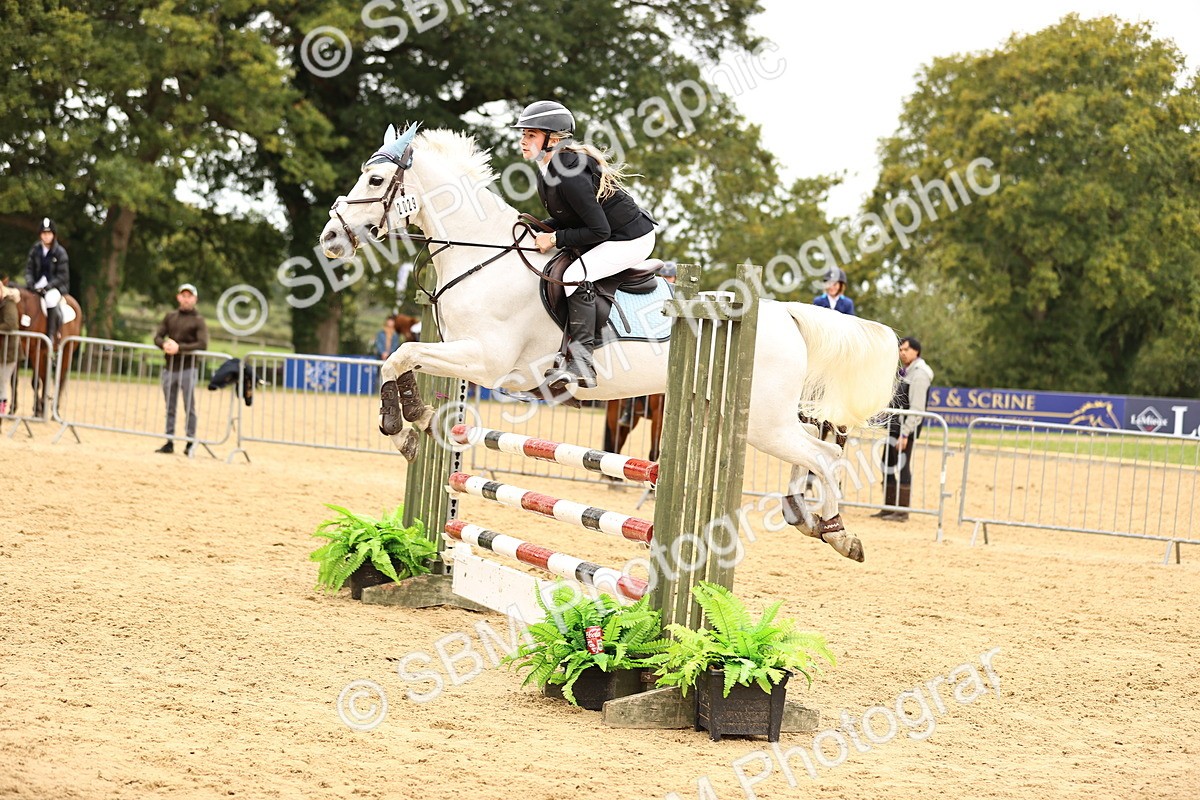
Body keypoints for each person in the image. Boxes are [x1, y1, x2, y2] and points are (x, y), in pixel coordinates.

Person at [514, 99, 658, 388]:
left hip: (631, 238)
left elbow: (598, 230)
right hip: (609, 232)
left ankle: (581, 363)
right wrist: (537, 228)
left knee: (574, 275)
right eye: (523, 134)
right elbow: (569, 217)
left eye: (531, 135)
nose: (523, 141)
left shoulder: (568, 173)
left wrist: (554, 238)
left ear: (551, 139)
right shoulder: (548, 168)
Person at [874, 336, 934, 522]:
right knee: (888, 462)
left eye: (906, 349)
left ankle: (901, 510)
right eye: (901, 350)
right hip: (896, 424)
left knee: (902, 464)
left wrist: (906, 433)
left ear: (916, 351)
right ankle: (889, 506)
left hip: (906, 426)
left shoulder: (920, 374)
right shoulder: (906, 371)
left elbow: (916, 407)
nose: (902, 353)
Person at [153, 283, 209, 455]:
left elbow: (202, 343)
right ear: (178, 297)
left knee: (189, 406)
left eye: (189, 296)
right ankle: (169, 440)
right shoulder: (170, 317)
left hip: (188, 368)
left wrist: (180, 348)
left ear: (194, 299)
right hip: (170, 368)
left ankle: (190, 441)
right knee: (170, 406)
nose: (186, 299)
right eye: (183, 296)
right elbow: (157, 336)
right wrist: (165, 345)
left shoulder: (199, 321)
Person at [24, 217, 70, 344]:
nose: (46, 236)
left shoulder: (60, 252)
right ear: (40, 235)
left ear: (53, 235)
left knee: (50, 299)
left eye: (49, 233)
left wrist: (48, 287)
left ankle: (50, 334)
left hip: (56, 286)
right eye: (44, 233)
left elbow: (62, 276)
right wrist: (30, 283)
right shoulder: (35, 250)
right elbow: (29, 269)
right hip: (38, 283)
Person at [0, 274, 20, 417]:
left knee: (1, 382)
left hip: (9, 351)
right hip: (2, 350)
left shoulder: (9, 304)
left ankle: (52, 333)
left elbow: (11, 324)